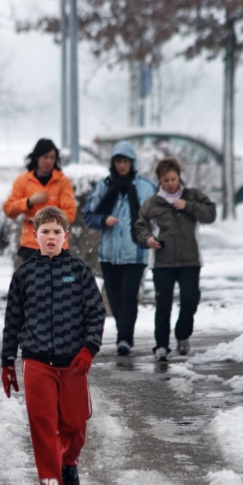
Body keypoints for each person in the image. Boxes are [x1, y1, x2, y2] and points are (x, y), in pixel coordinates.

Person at [1, 206, 106, 485]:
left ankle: (68, 461)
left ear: (66, 237)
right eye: (44, 231)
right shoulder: (24, 275)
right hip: (36, 361)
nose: (50, 237)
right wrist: (8, 362)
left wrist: (89, 350)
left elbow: (96, 314)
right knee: (43, 425)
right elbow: (13, 321)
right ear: (35, 236)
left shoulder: (81, 271)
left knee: (74, 425)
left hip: (73, 362)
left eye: (56, 232)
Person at [135, 157, 216, 361]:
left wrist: (188, 206)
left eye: (173, 179)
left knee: (190, 299)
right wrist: (148, 240)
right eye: (165, 180)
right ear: (160, 181)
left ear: (179, 177)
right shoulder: (153, 203)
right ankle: (161, 345)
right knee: (163, 303)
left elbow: (211, 214)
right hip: (163, 261)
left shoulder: (193, 195)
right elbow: (140, 226)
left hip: (190, 259)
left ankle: (182, 334)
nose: (170, 184)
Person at [84, 140, 155, 356]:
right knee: (114, 297)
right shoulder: (104, 187)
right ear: (113, 163)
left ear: (132, 163)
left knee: (128, 295)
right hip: (109, 253)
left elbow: (157, 216)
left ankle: (125, 338)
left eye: (125, 161)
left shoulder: (145, 188)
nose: (121, 166)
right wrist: (103, 219)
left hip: (135, 252)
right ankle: (122, 333)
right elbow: (89, 215)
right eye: (118, 161)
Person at [3, 138, 77, 263]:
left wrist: (42, 221)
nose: (49, 161)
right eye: (45, 157)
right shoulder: (23, 180)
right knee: (33, 282)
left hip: (57, 245)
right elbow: (9, 210)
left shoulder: (63, 182)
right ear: (37, 157)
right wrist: (29, 201)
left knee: (58, 282)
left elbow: (70, 213)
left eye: (52, 158)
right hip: (31, 244)